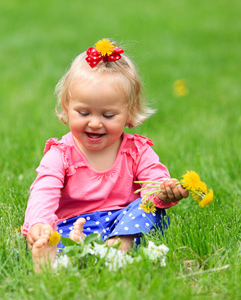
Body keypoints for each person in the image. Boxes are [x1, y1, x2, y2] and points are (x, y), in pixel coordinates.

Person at [22, 39, 189, 272]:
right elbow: (43, 191)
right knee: (56, 235)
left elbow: (153, 184)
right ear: (67, 107)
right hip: (73, 224)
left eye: (108, 115)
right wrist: (40, 222)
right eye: (83, 112)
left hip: (123, 223)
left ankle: (117, 247)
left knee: (149, 211)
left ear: (129, 113)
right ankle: (56, 256)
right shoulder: (60, 153)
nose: (94, 122)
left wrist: (165, 192)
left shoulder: (137, 151)